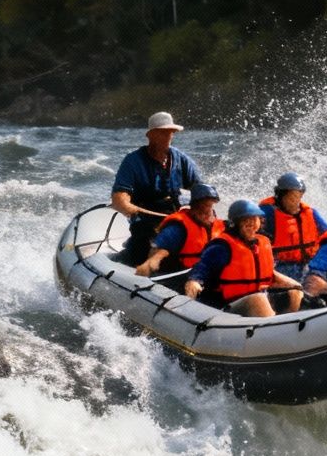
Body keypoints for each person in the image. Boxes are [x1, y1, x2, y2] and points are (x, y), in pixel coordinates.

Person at [110, 111, 206, 265]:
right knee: (142, 249)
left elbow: (202, 192)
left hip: (177, 219)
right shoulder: (132, 161)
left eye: (171, 133)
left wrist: (200, 209)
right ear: (150, 135)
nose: (168, 137)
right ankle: (126, 258)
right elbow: (119, 198)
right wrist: (128, 206)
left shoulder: (183, 160)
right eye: (162, 133)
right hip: (145, 221)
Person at [185, 200, 305, 317]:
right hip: (223, 306)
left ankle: (289, 326)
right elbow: (202, 267)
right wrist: (194, 281)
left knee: (295, 292)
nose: (251, 224)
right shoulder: (222, 246)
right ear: (235, 223)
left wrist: (295, 285)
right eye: (246, 220)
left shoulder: (262, 242)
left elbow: (268, 273)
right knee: (258, 300)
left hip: (257, 300)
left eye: (254, 219)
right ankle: (275, 330)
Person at [134, 185, 223, 276]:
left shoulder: (216, 225)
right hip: (176, 276)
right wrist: (150, 264)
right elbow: (159, 251)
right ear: (193, 207)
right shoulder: (177, 228)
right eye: (204, 206)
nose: (208, 211)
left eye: (210, 206)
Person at [261, 171, 327, 282]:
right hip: (279, 267)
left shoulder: (310, 213)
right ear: (280, 196)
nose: (295, 202)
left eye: (298, 197)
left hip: (308, 264)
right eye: (291, 198)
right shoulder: (267, 213)